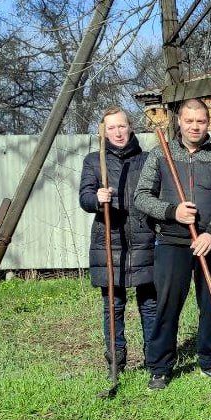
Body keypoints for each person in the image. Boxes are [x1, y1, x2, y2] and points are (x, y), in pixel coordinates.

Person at [134, 98, 211, 390]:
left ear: (208, 123)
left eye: (201, 121)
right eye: (189, 120)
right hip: (172, 241)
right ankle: (160, 365)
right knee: (168, 303)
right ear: (179, 121)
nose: (195, 126)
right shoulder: (160, 155)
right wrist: (172, 212)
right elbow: (141, 196)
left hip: (210, 242)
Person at [78, 107, 156, 375]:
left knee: (149, 303)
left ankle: (154, 359)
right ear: (104, 131)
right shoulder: (93, 161)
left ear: (130, 127)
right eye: (111, 128)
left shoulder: (147, 159)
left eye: (122, 126)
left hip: (145, 238)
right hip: (109, 240)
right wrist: (97, 199)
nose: (118, 132)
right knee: (113, 303)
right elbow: (84, 197)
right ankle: (116, 361)